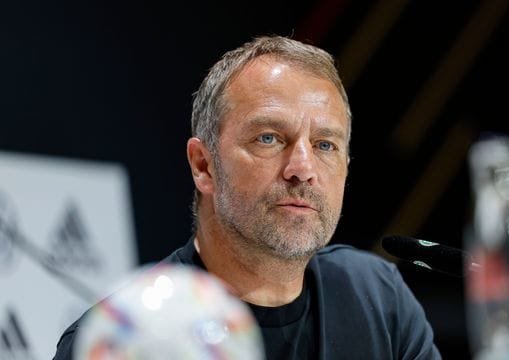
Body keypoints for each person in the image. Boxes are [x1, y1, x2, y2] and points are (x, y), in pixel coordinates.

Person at [53, 35, 441, 359]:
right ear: (203, 165)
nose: (302, 167)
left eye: (325, 145)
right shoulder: (127, 338)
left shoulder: (377, 295)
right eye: (269, 138)